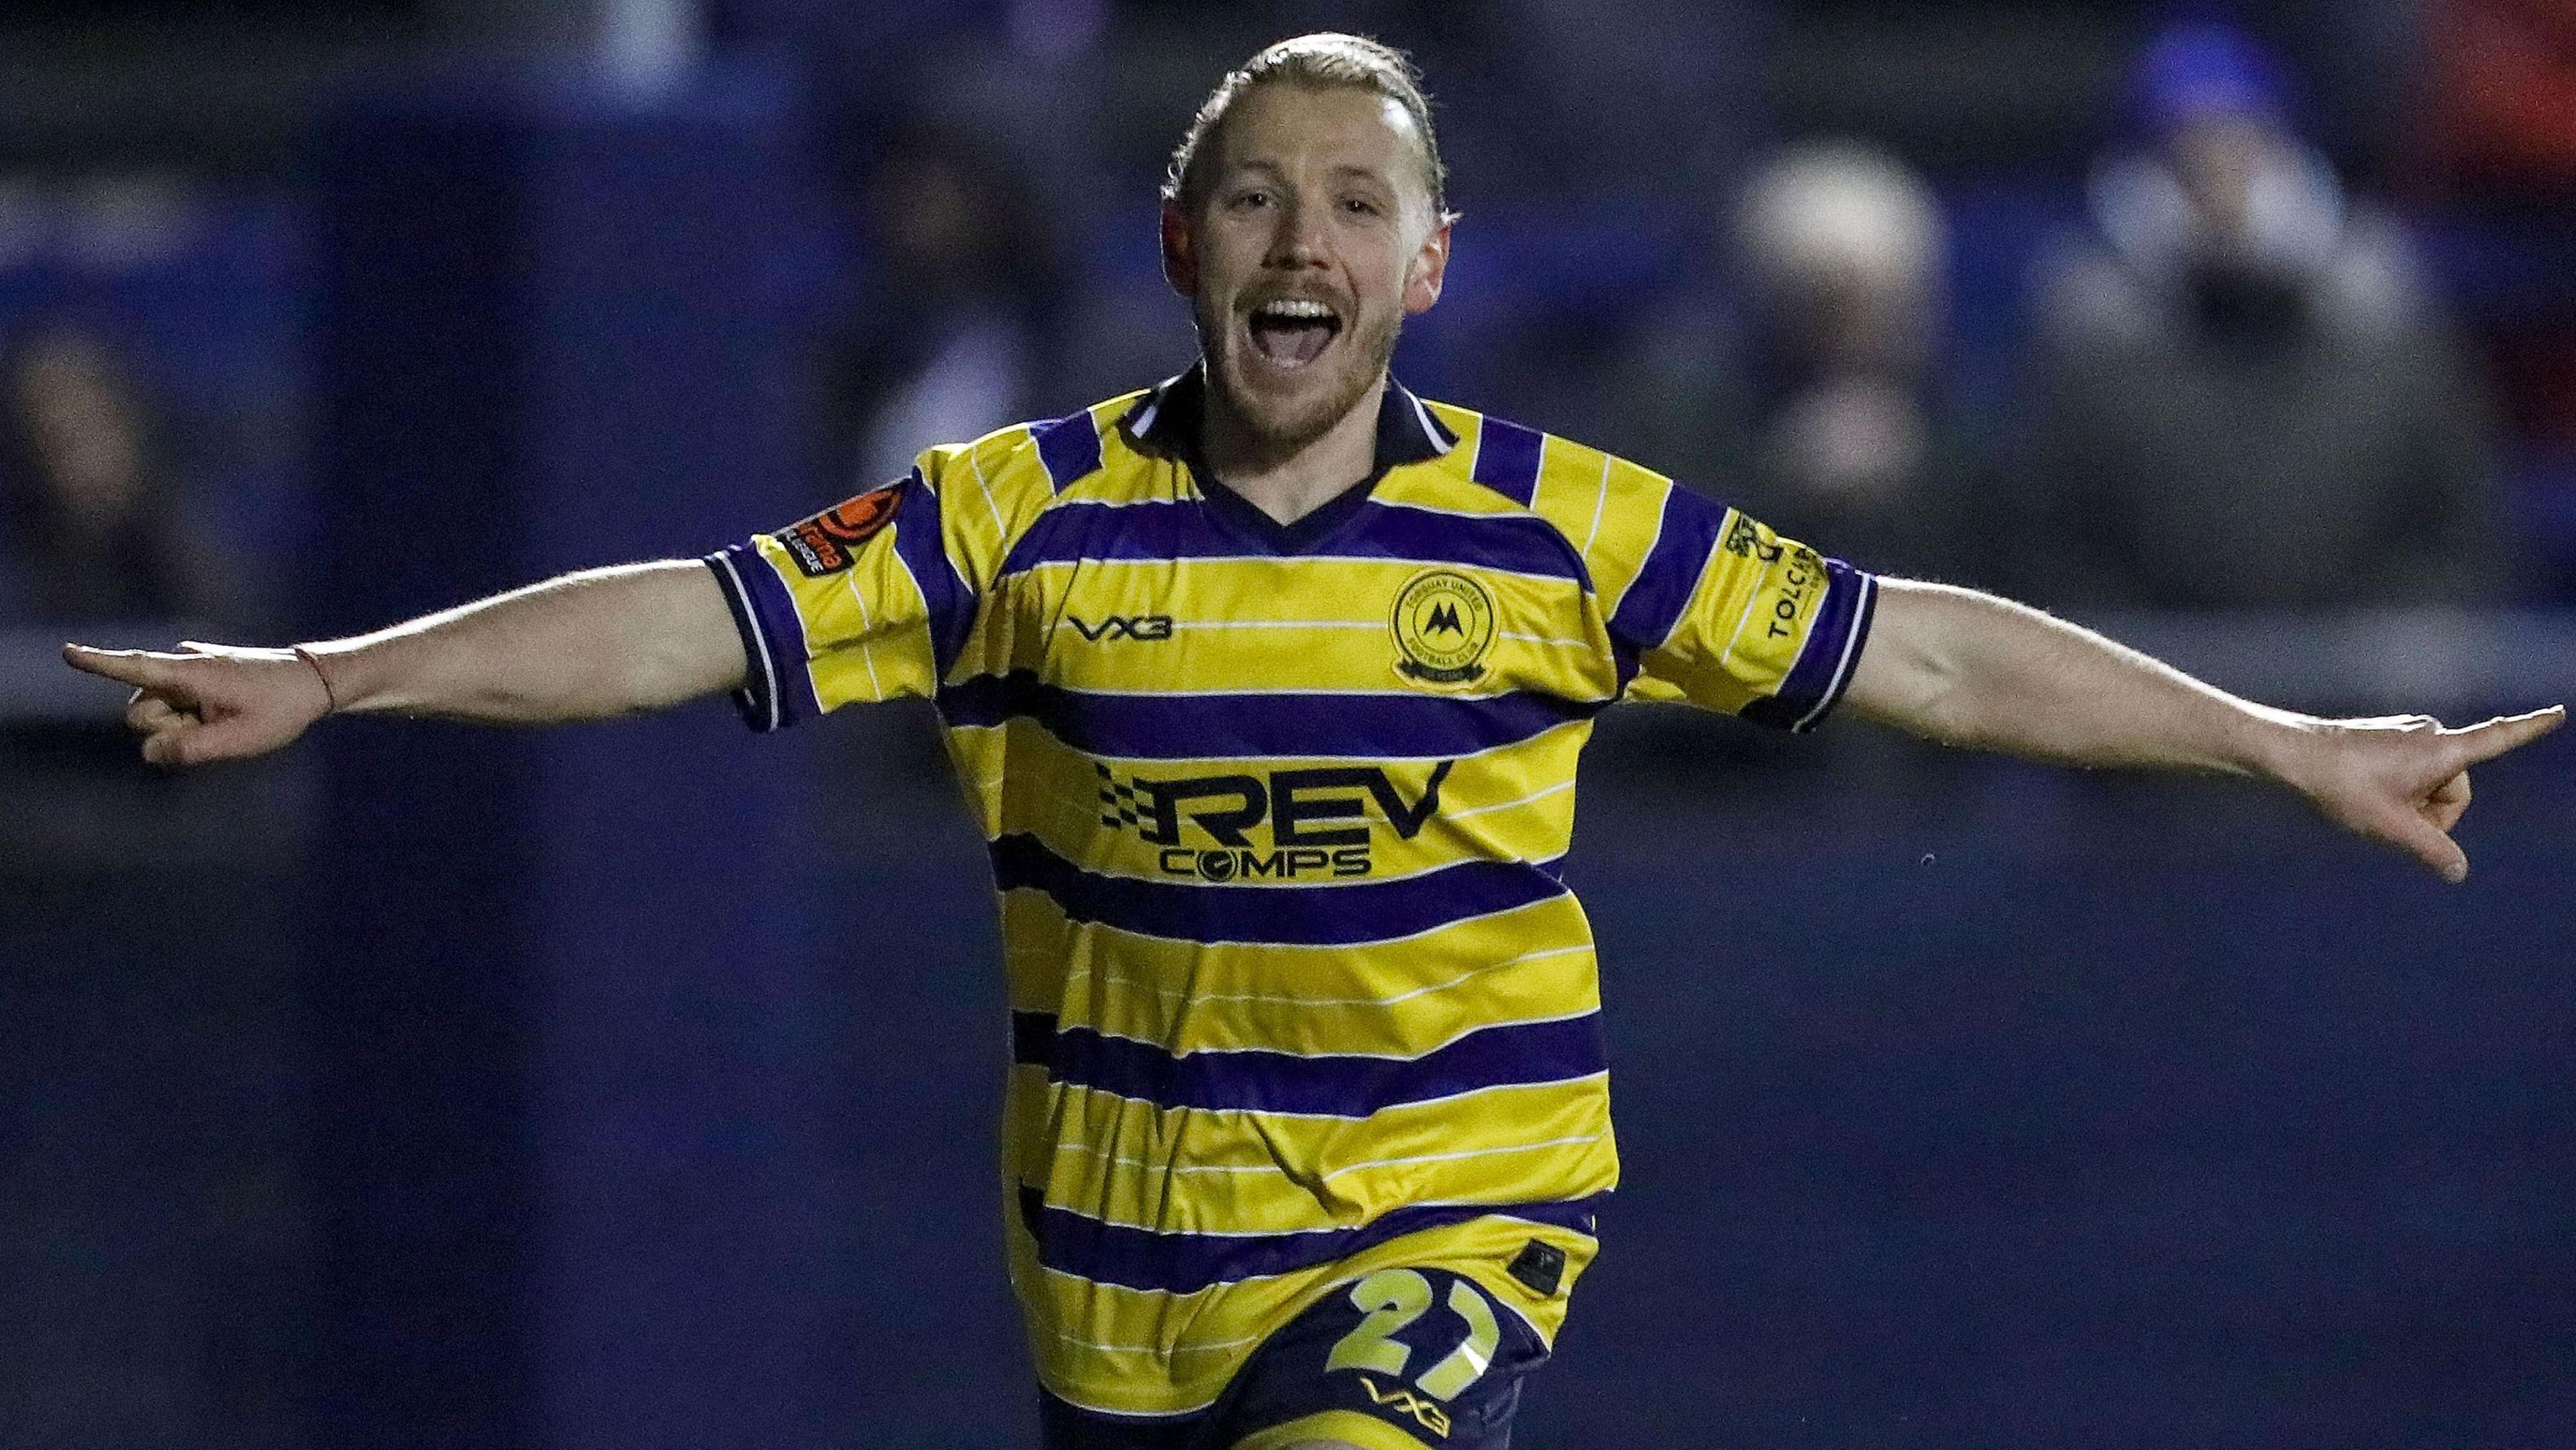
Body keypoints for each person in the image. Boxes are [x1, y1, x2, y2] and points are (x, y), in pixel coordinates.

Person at [60, 34, 2563, 1450]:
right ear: (1187, 248)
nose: (1301, 242)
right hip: (1118, 1292)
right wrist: (342, 673)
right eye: (1254, 199)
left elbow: (1916, 650)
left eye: (1356, 202)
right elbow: (685, 621)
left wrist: (2279, 742)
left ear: (1431, 266)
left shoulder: (1567, 534)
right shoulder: (1016, 520)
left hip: (1444, 1229)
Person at [2006, 21, 2505, 609]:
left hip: (2362, 678)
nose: (2225, 190)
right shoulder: (2086, 340)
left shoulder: (2387, 321)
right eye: (2193, 162)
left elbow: (2455, 524)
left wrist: (2396, 653)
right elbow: (2051, 542)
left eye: (2243, 154)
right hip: (2152, 679)